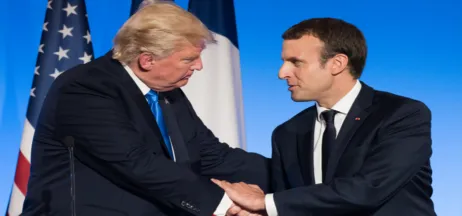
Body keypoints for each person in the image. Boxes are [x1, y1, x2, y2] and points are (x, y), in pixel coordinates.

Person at [22, 2, 270, 216]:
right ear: (147, 59)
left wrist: (295, 176)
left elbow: (211, 155)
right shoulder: (85, 89)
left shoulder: (167, 91)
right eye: (189, 59)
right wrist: (227, 204)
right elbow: (138, 163)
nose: (199, 66)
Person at [213, 17, 436, 216]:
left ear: (337, 63)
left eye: (295, 62)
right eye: (283, 62)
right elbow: (296, 206)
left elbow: (370, 189)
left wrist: (265, 202)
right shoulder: (287, 133)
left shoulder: (403, 114)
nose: (282, 73)